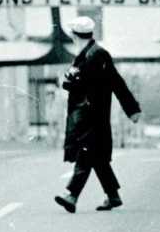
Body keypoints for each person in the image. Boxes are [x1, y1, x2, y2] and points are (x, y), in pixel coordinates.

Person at [55, 16, 141, 213]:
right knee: (98, 160)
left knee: (85, 156)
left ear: (75, 36)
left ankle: (72, 196)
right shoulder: (88, 55)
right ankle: (113, 196)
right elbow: (109, 83)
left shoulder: (97, 55)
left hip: (93, 117)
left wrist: (132, 109)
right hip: (86, 116)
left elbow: (113, 83)